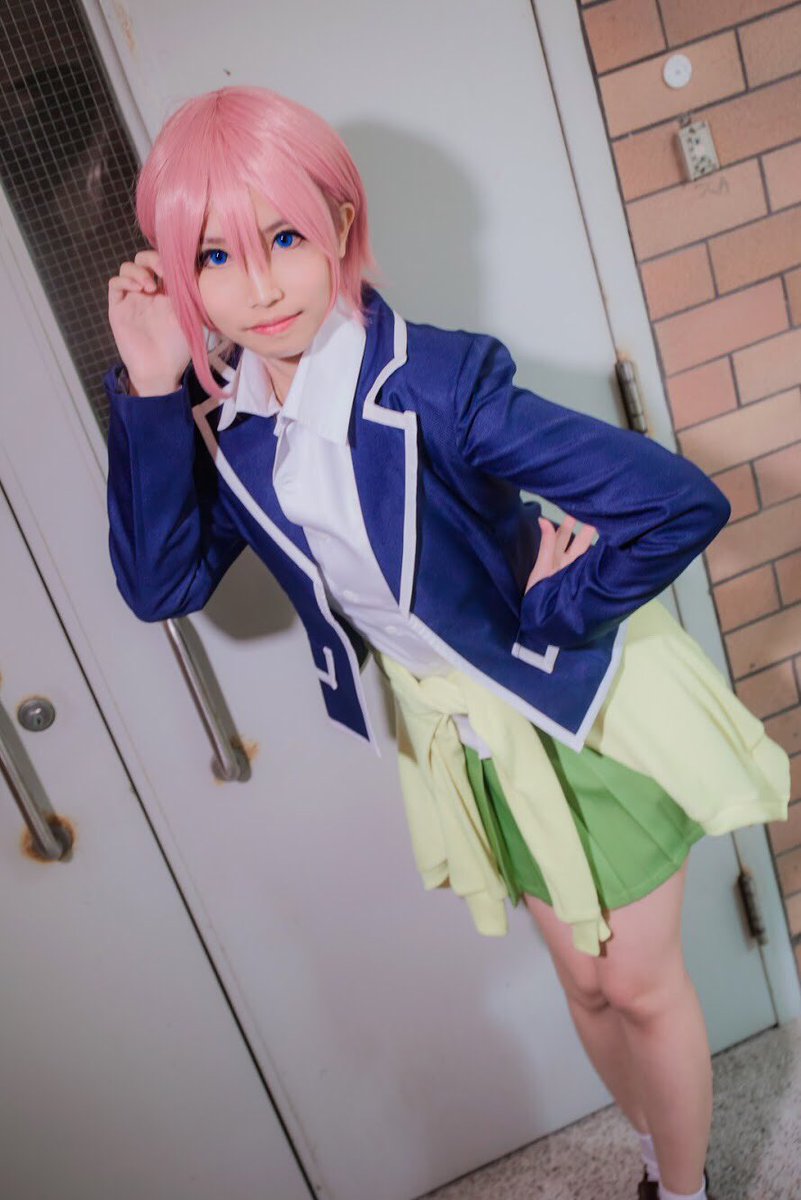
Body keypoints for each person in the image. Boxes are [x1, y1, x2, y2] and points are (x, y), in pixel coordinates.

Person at [104, 86, 789, 1200]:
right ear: (182, 275)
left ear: (338, 222)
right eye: (217, 257)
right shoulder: (235, 431)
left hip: (578, 705)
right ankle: (659, 1163)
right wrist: (147, 387)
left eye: (284, 238)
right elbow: (161, 584)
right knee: (587, 985)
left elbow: (676, 503)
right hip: (467, 738)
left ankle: (684, 1192)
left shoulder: (438, 381)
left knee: (640, 985)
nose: (260, 286)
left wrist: (554, 611)